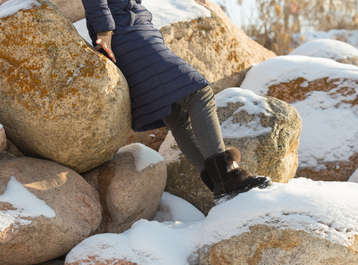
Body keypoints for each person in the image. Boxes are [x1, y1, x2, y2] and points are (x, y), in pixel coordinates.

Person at [82, 0, 270, 198]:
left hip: (135, 30)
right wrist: (104, 31)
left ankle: (220, 185)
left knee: (175, 112)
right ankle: (227, 175)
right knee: (199, 92)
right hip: (126, 33)